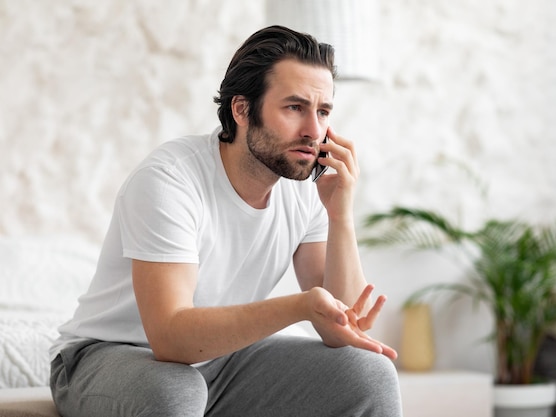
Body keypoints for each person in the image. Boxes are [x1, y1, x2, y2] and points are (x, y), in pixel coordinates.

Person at [49, 25, 403, 417]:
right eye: (294, 108)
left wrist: (341, 215)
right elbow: (169, 338)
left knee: (370, 374)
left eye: (322, 112)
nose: (314, 131)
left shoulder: (304, 188)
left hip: (220, 361)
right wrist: (300, 306)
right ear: (242, 109)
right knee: (174, 390)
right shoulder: (170, 179)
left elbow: (346, 330)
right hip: (108, 355)